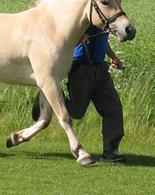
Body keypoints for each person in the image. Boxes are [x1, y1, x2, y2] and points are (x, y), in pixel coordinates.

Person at [32, 26, 127, 162]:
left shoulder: (103, 20)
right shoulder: (82, 18)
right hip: (81, 69)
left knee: (113, 108)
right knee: (76, 112)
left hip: (100, 70)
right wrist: (77, 37)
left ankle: (110, 151)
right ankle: (49, 96)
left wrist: (114, 57)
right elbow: (60, 35)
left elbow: (103, 41)